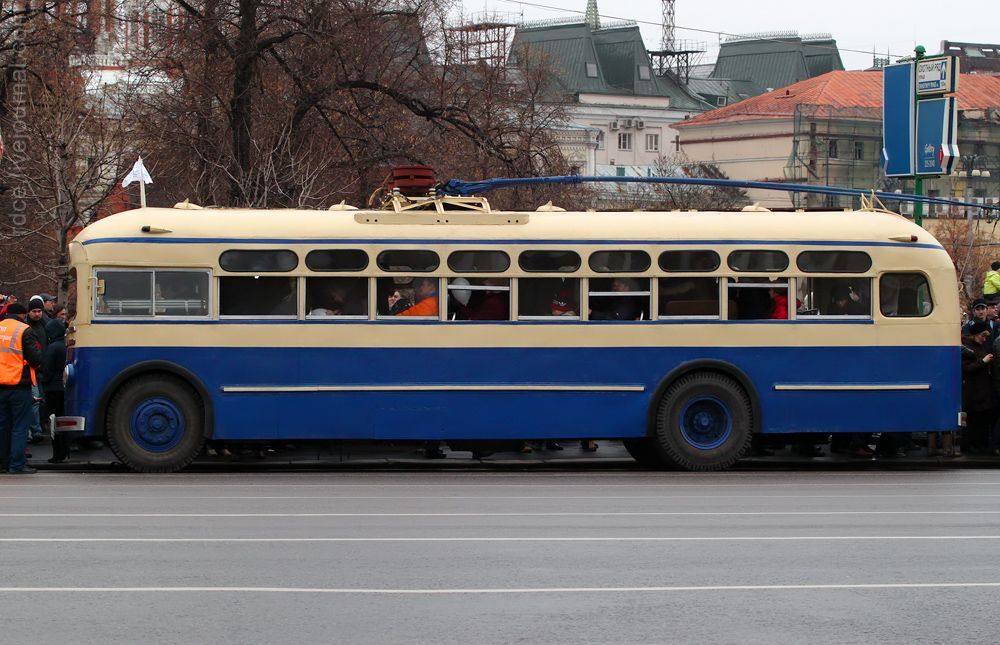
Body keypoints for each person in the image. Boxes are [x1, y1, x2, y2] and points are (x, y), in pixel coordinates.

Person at [0, 303, 43, 474]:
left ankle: (3, 463)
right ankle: (16, 465)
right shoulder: (24, 330)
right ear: (21, 315)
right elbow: (35, 358)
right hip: (18, 384)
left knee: (2, 426)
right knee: (20, 426)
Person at [961, 320, 995, 455]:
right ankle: (971, 445)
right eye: (982, 336)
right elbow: (967, 368)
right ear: (974, 335)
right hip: (973, 391)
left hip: (981, 390)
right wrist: (983, 361)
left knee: (980, 420)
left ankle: (979, 445)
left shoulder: (979, 346)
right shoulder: (967, 349)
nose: (984, 339)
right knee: (973, 420)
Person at [41, 318, 69, 463]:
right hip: (63, 387)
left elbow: (47, 370)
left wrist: (42, 380)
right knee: (62, 420)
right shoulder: (65, 345)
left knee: (53, 422)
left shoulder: (52, 348)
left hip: (52, 388)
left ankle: (57, 453)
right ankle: (64, 450)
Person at [25, 297, 48, 445]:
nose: (37, 314)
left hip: (42, 368)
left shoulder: (44, 325)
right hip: (30, 369)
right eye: (34, 311)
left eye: (39, 311)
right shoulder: (26, 327)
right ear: (29, 312)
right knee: (35, 401)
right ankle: (36, 430)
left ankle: (36, 428)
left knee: (39, 400)